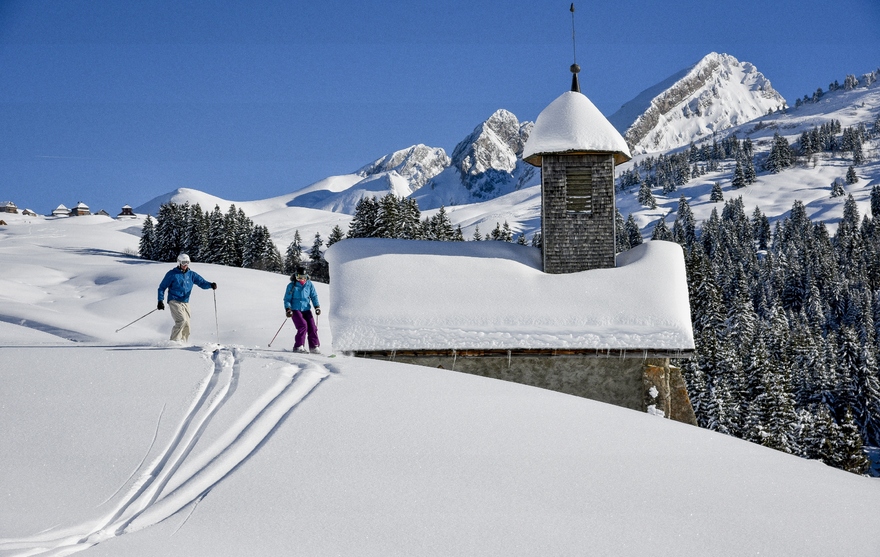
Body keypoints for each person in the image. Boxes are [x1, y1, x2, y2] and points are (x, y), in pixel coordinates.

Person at [157, 253, 216, 343]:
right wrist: (160, 301)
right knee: (181, 320)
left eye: (187, 263)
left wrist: (210, 285)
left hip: (185, 301)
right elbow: (162, 287)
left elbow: (202, 282)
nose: (185, 265)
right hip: (174, 300)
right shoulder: (172, 274)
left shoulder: (191, 274)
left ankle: (183, 343)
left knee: (187, 325)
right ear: (179, 263)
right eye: (183, 263)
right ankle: (173, 342)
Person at [283, 267, 321, 353]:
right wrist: (288, 309)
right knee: (303, 325)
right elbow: (287, 299)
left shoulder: (309, 284)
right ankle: (298, 346)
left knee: (312, 327)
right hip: (295, 309)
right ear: (296, 275)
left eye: (303, 277)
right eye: (299, 277)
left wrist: (317, 306)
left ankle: (314, 347)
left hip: (306, 308)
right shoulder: (291, 286)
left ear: (306, 276)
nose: (301, 279)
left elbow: (314, 296)